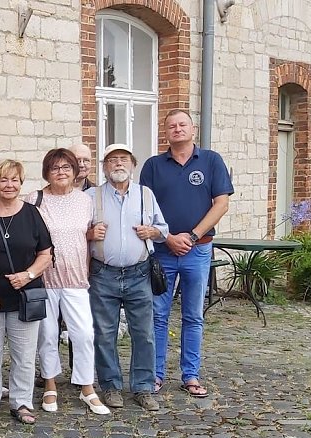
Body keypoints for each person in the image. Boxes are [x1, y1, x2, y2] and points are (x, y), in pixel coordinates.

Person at [141, 109, 233, 397]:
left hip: (198, 250)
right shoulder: (153, 165)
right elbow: (144, 209)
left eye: (182, 124)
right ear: (165, 132)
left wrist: (191, 237)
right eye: (172, 126)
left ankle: (190, 375)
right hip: (162, 251)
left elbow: (221, 204)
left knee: (193, 316)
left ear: (193, 129)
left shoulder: (211, 160)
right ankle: (154, 375)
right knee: (158, 315)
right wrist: (168, 238)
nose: (177, 129)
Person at [87, 144, 168, 411]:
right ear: (104, 167)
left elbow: (163, 229)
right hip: (103, 273)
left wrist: (152, 232)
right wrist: (89, 235)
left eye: (123, 159)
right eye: (112, 160)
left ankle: (143, 388)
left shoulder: (146, 194)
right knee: (104, 334)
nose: (118, 164)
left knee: (144, 333)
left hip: (138, 273)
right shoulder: (91, 196)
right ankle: (110, 387)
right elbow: (75, 234)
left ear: (133, 165)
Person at [29, 148, 110, 416]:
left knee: (84, 333)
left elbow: (88, 233)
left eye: (66, 167)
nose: (61, 172)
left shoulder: (85, 201)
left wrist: (90, 234)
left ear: (75, 171)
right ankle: (50, 384)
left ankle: (87, 387)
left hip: (76, 278)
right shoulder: (36, 200)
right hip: (45, 278)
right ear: (46, 173)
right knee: (47, 334)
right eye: (55, 168)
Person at [0, 160, 53, 425]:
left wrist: (28, 274)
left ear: (21, 183)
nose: (9, 185)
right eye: (4, 180)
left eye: (15, 180)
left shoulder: (31, 213)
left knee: (24, 354)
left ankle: (21, 402)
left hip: (25, 295)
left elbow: (46, 254)